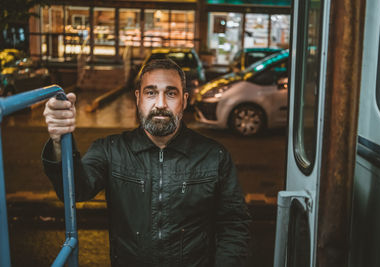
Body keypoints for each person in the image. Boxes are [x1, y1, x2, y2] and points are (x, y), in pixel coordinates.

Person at [42, 59, 251, 267]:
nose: (160, 104)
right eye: (151, 92)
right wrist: (60, 142)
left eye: (171, 93)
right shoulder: (110, 150)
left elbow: (234, 225)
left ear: (185, 100)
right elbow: (75, 190)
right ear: (138, 98)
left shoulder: (214, 156)